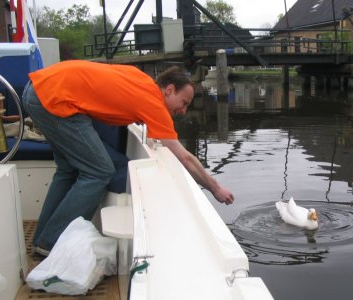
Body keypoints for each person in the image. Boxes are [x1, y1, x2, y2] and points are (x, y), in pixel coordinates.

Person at [21, 60, 234, 256]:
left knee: (67, 170)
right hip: (53, 99)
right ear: (169, 90)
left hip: (38, 89)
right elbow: (185, 159)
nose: (184, 111)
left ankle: (42, 239)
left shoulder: (141, 79)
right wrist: (215, 187)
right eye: (184, 102)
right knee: (99, 171)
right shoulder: (154, 103)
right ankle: (51, 242)